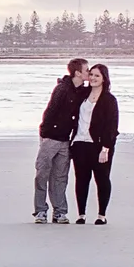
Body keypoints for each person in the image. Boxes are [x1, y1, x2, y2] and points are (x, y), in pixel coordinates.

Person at [33, 58, 89, 223]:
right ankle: (40, 211)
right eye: (86, 70)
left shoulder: (82, 91)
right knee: (42, 174)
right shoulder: (62, 89)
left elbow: (98, 92)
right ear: (78, 72)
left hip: (66, 140)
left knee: (60, 177)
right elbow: (49, 112)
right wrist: (45, 135)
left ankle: (60, 212)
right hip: (50, 138)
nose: (88, 73)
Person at [68, 62, 118, 225]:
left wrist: (105, 149)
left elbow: (112, 126)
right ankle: (81, 214)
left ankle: (101, 215)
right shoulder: (82, 94)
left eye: (97, 75)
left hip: (99, 146)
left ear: (104, 78)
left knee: (102, 179)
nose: (93, 78)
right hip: (79, 143)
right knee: (81, 179)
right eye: (91, 75)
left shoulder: (109, 99)